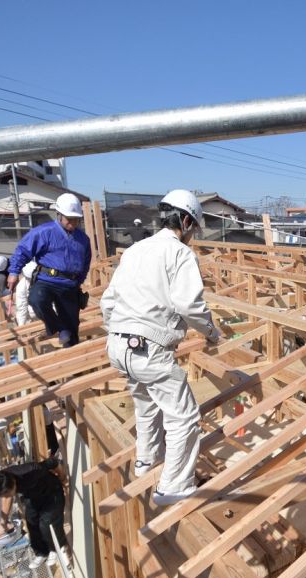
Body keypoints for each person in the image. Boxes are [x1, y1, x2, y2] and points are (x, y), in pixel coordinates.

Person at [100, 189, 220, 506]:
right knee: (183, 417)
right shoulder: (180, 254)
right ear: (184, 220)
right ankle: (173, 487)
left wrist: (118, 331)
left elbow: (108, 301)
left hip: (118, 344)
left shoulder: (135, 250)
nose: (193, 234)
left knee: (146, 404)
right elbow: (189, 305)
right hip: (146, 348)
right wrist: (212, 332)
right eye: (193, 226)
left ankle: (146, 461)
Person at [7, 193, 91, 347]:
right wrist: (13, 273)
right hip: (47, 280)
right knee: (37, 300)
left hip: (69, 284)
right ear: (59, 215)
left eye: (76, 219)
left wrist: (78, 281)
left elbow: (85, 262)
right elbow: (23, 251)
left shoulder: (83, 239)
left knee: (72, 329)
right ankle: (58, 328)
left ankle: (74, 364)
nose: (73, 223)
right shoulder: (43, 232)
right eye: (69, 219)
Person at [0, 459, 67, 569]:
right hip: (33, 497)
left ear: (12, 484)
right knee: (31, 521)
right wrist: (3, 522)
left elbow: (53, 462)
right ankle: (41, 552)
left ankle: (56, 548)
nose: (6, 496)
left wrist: (62, 477)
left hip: (52, 492)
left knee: (47, 523)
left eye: (7, 493)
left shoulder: (31, 470)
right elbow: (7, 497)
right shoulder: (3, 481)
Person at [12, 260, 40, 326]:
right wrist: (21, 326)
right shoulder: (22, 286)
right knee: (32, 312)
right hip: (36, 310)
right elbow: (21, 307)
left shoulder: (47, 279)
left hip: (52, 309)